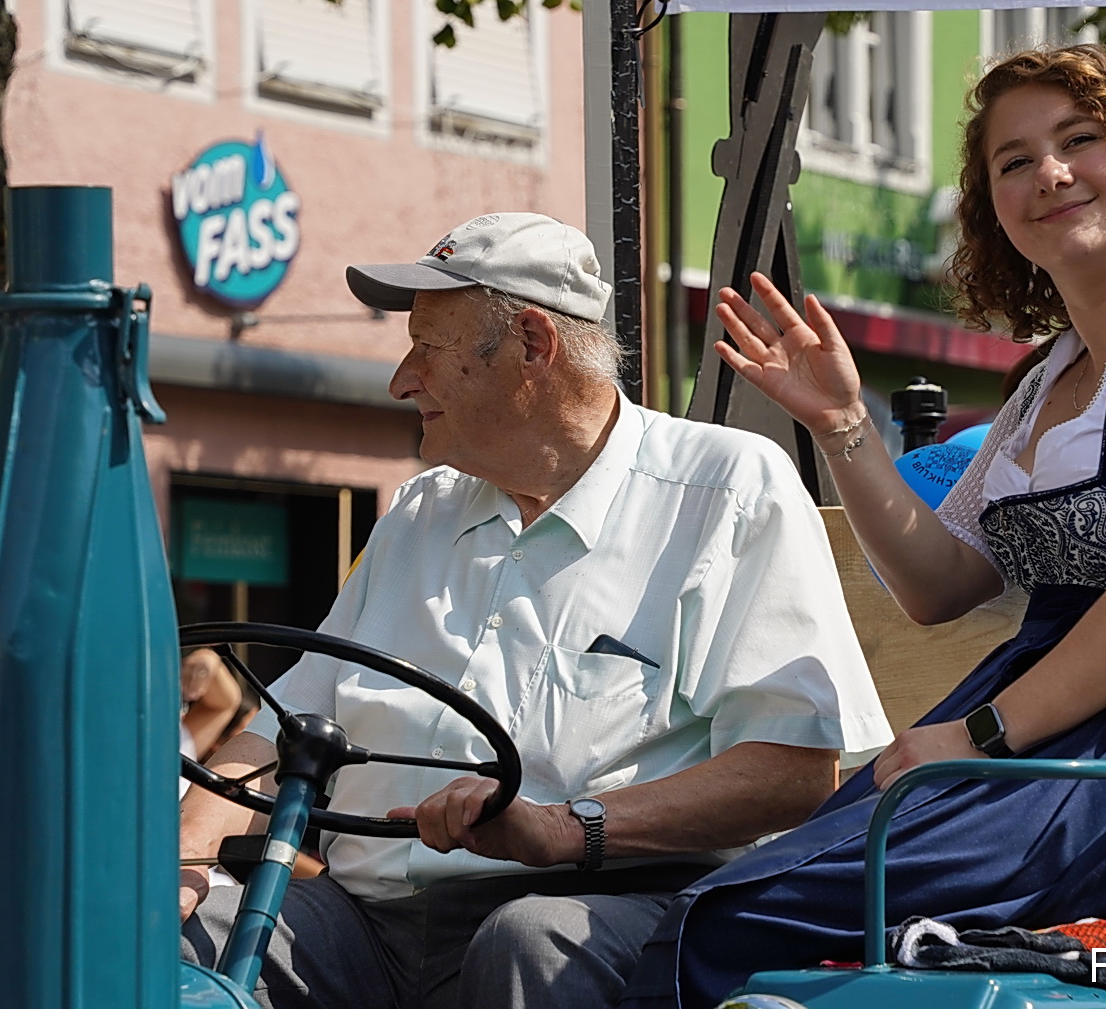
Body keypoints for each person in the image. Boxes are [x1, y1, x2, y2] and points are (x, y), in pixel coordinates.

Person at [620, 45, 1106, 1008]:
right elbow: (938, 581)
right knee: (742, 907)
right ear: (993, 207)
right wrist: (843, 425)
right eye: (1014, 161)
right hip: (1066, 747)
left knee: (744, 920)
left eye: (1081, 140)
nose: (1049, 173)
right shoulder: (1050, 377)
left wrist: (982, 735)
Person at [178, 212, 893, 1009]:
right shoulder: (421, 508)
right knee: (170, 937)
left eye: (429, 350)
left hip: (599, 906)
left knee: (528, 939)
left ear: (531, 344)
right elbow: (288, 721)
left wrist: (563, 827)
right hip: (365, 923)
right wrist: (183, 851)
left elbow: (792, 771)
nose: (401, 379)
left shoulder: (725, 489)